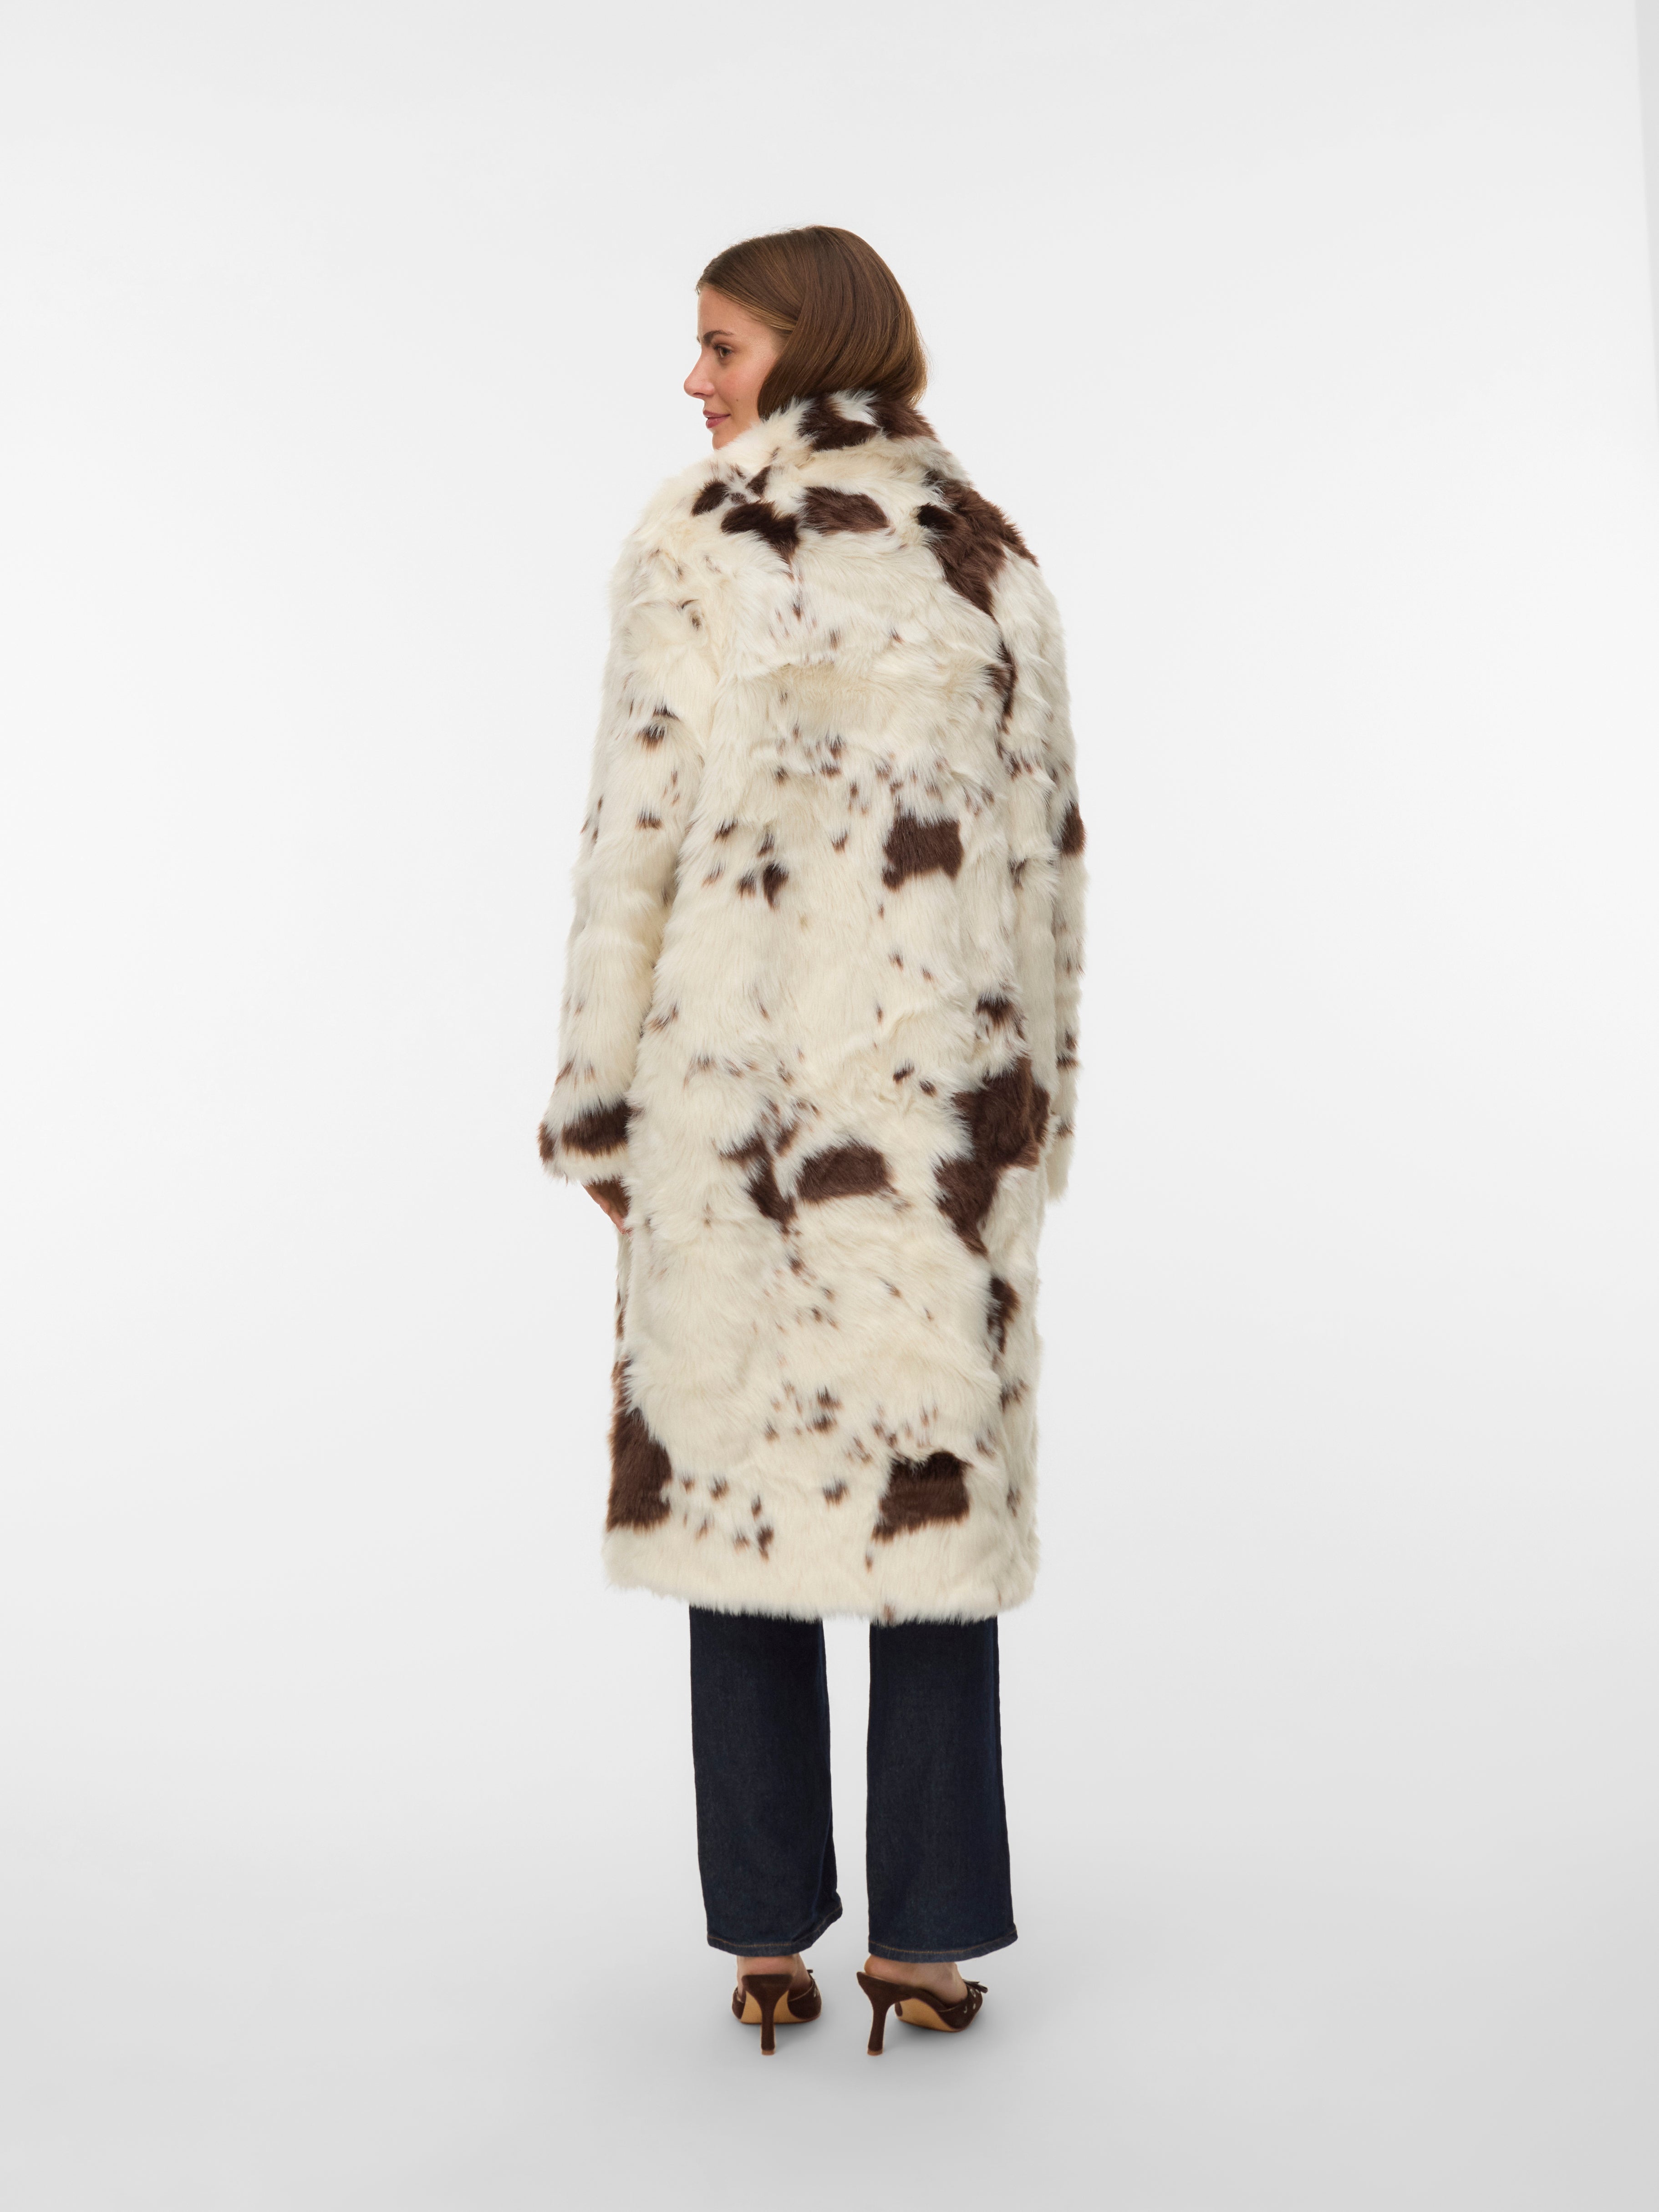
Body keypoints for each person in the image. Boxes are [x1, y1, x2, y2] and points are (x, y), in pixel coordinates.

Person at [538, 226, 1085, 2056]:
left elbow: (629, 840)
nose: (694, 382)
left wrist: (599, 1105)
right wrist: (1035, 1112)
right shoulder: (984, 551)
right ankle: (924, 1939)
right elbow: (1047, 863)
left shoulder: (704, 537)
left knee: (741, 1490)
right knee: (927, 1498)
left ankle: (766, 1930)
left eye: (720, 344)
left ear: (810, 338)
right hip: (939, 1124)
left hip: (737, 1113)